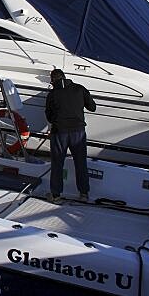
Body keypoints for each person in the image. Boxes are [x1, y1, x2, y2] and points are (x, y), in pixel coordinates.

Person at [44, 68, 97, 203]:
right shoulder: (80, 89)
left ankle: (56, 196)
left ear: (53, 80)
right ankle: (84, 194)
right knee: (80, 163)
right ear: (65, 77)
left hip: (60, 132)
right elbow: (92, 107)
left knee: (57, 164)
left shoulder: (52, 94)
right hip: (78, 132)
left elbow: (49, 118)